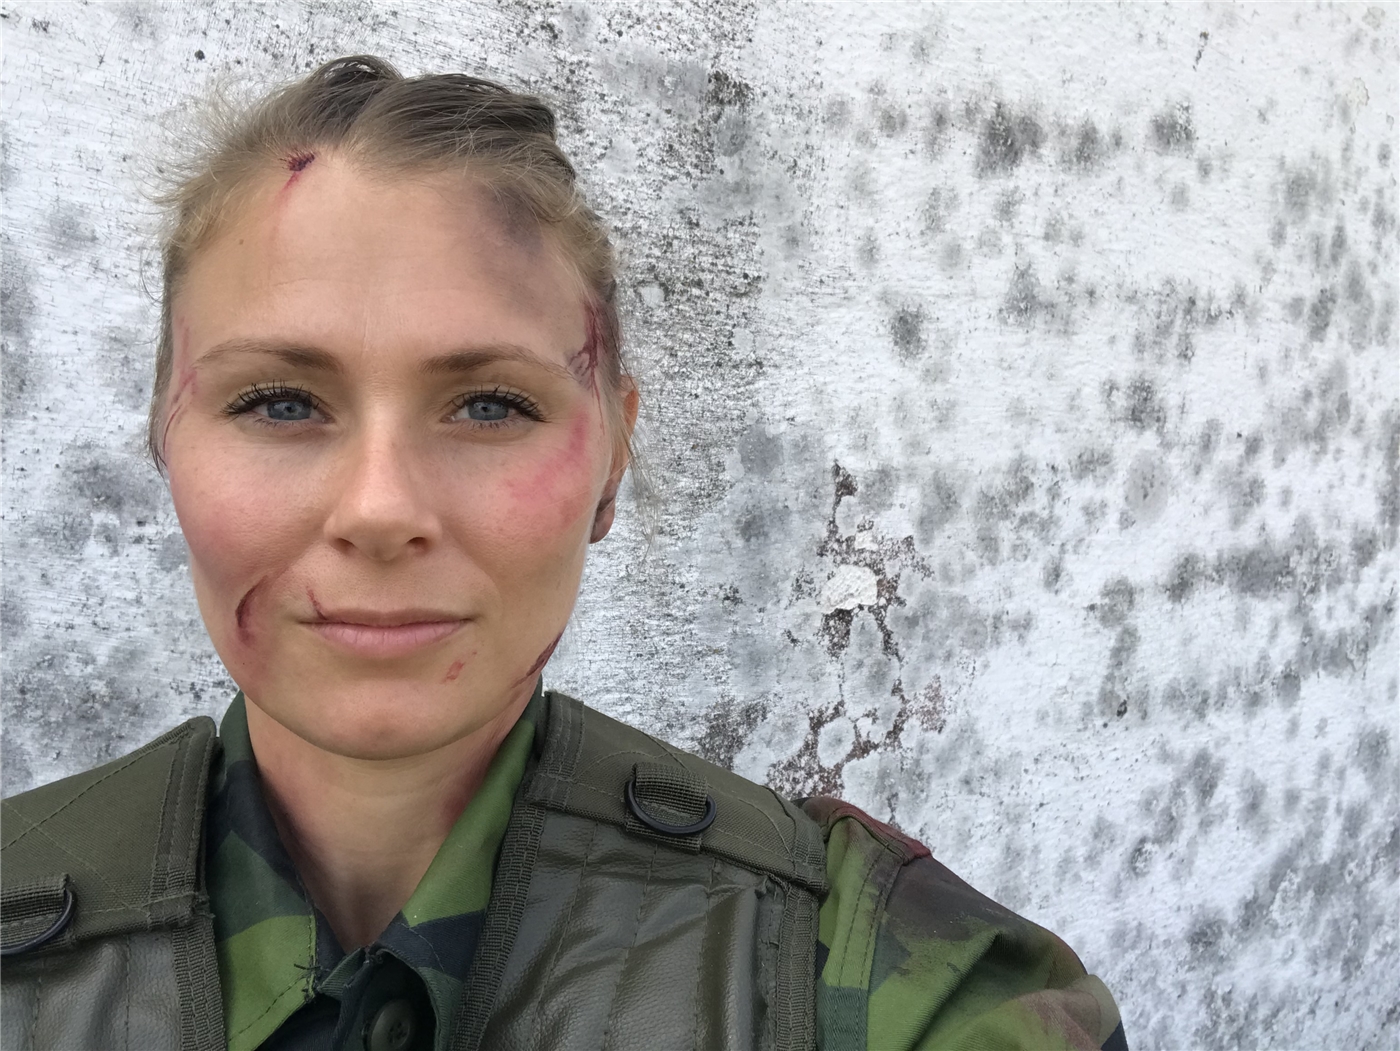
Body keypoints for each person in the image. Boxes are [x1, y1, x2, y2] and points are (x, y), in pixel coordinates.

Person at [0, 56, 1127, 1051]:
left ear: (612, 457)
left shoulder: (871, 977)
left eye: (489, 405)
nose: (381, 509)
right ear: (164, 437)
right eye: (281, 402)